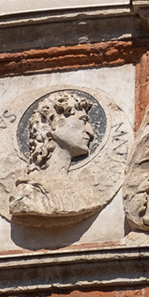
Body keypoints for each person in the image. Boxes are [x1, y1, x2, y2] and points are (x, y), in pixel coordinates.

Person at [11, 91, 99, 220]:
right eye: (83, 120)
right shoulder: (29, 193)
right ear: (52, 122)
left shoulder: (84, 193)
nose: (90, 132)